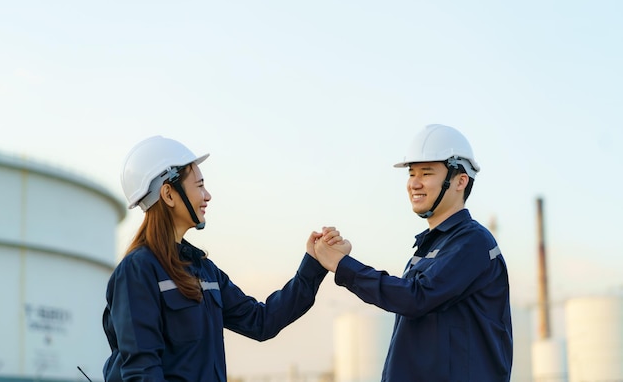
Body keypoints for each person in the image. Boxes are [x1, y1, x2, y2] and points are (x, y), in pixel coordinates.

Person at [102, 135, 348, 381]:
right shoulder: (138, 271)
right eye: (199, 185)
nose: (207, 195)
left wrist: (314, 263)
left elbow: (261, 321)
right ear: (168, 194)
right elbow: (142, 373)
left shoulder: (203, 271)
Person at [314, 124, 512, 381]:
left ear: (460, 181)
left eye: (426, 173)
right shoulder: (429, 248)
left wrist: (343, 266)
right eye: (411, 174)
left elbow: (417, 298)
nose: (414, 184)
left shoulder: (472, 242)